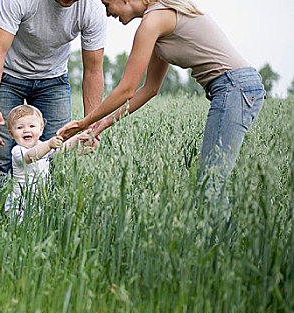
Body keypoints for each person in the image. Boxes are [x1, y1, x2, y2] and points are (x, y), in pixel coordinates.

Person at [58, 0, 266, 203]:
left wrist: (83, 123)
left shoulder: (153, 20)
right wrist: (102, 124)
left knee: (211, 183)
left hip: (234, 88)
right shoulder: (158, 22)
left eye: (106, 5)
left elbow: (126, 89)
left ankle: (221, 239)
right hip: (234, 88)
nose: (107, 13)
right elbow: (149, 89)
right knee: (210, 182)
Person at [0, 0, 107, 190]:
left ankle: (47, 217)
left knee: (56, 158)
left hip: (53, 81)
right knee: (0, 157)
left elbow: (93, 70)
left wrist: (90, 124)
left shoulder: (92, 9)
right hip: (8, 76)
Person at [4, 104, 91, 217]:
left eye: (31, 126)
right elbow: (30, 156)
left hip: (39, 200)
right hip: (21, 203)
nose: (26, 130)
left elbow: (62, 148)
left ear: (41, 130)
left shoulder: (43, 146)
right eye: (20, 127)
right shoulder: (18, 151)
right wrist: (49, 144)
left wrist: (78, 138)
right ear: (11, 134)